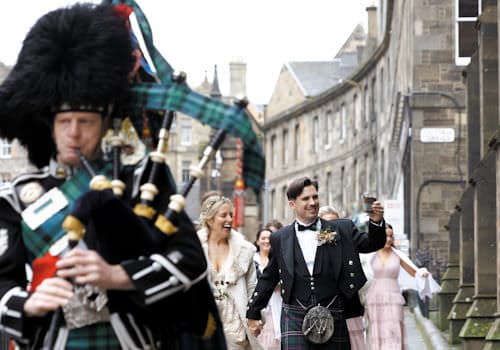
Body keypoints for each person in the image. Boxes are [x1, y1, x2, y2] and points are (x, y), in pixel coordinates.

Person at [0, 3, 225, 349]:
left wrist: (119, 276)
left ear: (106, 123)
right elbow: (3, 279)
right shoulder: (19, 196)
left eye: (85, 122)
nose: (74, 133)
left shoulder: (143, 182)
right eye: (65, 122)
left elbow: (190, 261)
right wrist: (26, 302)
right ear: (50, 125)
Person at [246, 176, 386, 349]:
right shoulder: (280, 238)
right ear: (292, 204)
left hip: (334, 310)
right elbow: (268, 278)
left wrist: (376, 222)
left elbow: (373, 244)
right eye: (306, 198)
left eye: (315, 197)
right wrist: (253, 313)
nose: (313, 202)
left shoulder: (342, 229)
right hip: (295, 314)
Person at [197, 195, 263, 350]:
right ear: (210, 220)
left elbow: (253, 288)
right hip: (203, 323)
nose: (229, 219)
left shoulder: (245, 251)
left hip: (235, 326)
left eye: (231, 215)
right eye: (223, 215)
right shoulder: (194, 249)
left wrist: (254, 316)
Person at [364, 224, 433, 350]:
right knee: (377, 331)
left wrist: (422, 273)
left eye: (391, 236)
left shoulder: (398, 255)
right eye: (385, 236)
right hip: (375, 298)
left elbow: (413, 272)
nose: (389, 239)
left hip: (394, 297)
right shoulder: (370, 256)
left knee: (393, 330)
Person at [318, 207, 366, 350]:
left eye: (335, 222)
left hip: (348, 307)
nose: (332, 227)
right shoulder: (313, 250)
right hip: (323, 311)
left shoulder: (349, 245)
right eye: (327, 223)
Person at [254, 228, 281, 350]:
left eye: (269, 238)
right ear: (257, 241)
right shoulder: (252, 260)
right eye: (263, 238)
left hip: (277, 302)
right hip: (260, 305)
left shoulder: (279, 259)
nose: (266, 241)